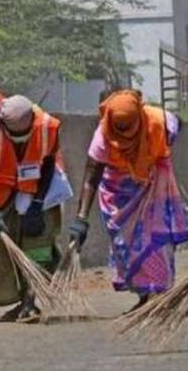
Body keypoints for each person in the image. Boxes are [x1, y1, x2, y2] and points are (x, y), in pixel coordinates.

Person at [70, 89, 188, 313]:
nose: (123, 133)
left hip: (155, 193)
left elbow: (177, 123)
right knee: (127, 247)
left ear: (140, 117)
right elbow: (91, 177)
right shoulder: (102, 135)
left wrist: (159, 155)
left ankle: (159, 296)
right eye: (119, 128)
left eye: (128, 126)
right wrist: (81, 218)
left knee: (157, 243)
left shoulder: (157, 120)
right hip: (119, 199)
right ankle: (144, 297)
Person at [0, 95, 68, 323]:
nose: (20, 141)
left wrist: (38, 204)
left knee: (37, 246)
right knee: (4, 250)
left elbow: (49, 164)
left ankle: (30, 302)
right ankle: (21, 302)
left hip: (37, 189)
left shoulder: (47, 128)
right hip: (0, 195)